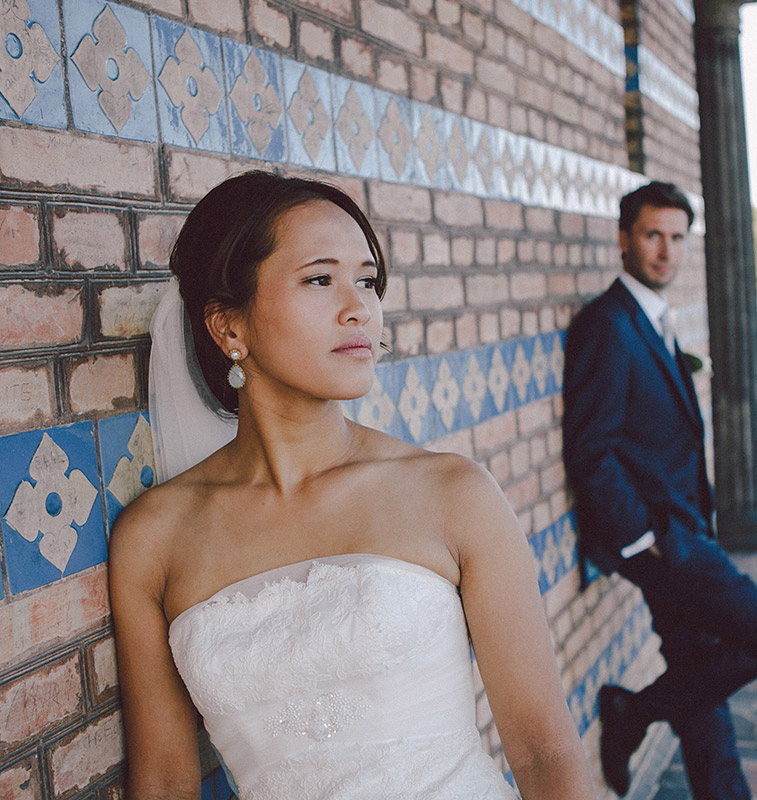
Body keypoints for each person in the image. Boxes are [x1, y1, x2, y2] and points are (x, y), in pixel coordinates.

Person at [109, 171, 593, 799]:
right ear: (230, 328)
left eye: (366, 280)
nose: (358, 307)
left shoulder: (452, 493)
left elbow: (544, 750)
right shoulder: (154, 537)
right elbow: (167, 782)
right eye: (320, 279)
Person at [562, 181, 757, 798]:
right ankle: (631, 713)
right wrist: (642, 540)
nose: (665, 251)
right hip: (665, 543)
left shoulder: (653, 321)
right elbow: (593, 448)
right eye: (652, 236)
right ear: (624, 239)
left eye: (676, 238)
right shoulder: (607, 325)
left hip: (684, 530)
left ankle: (656, 735)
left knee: (699, 677)